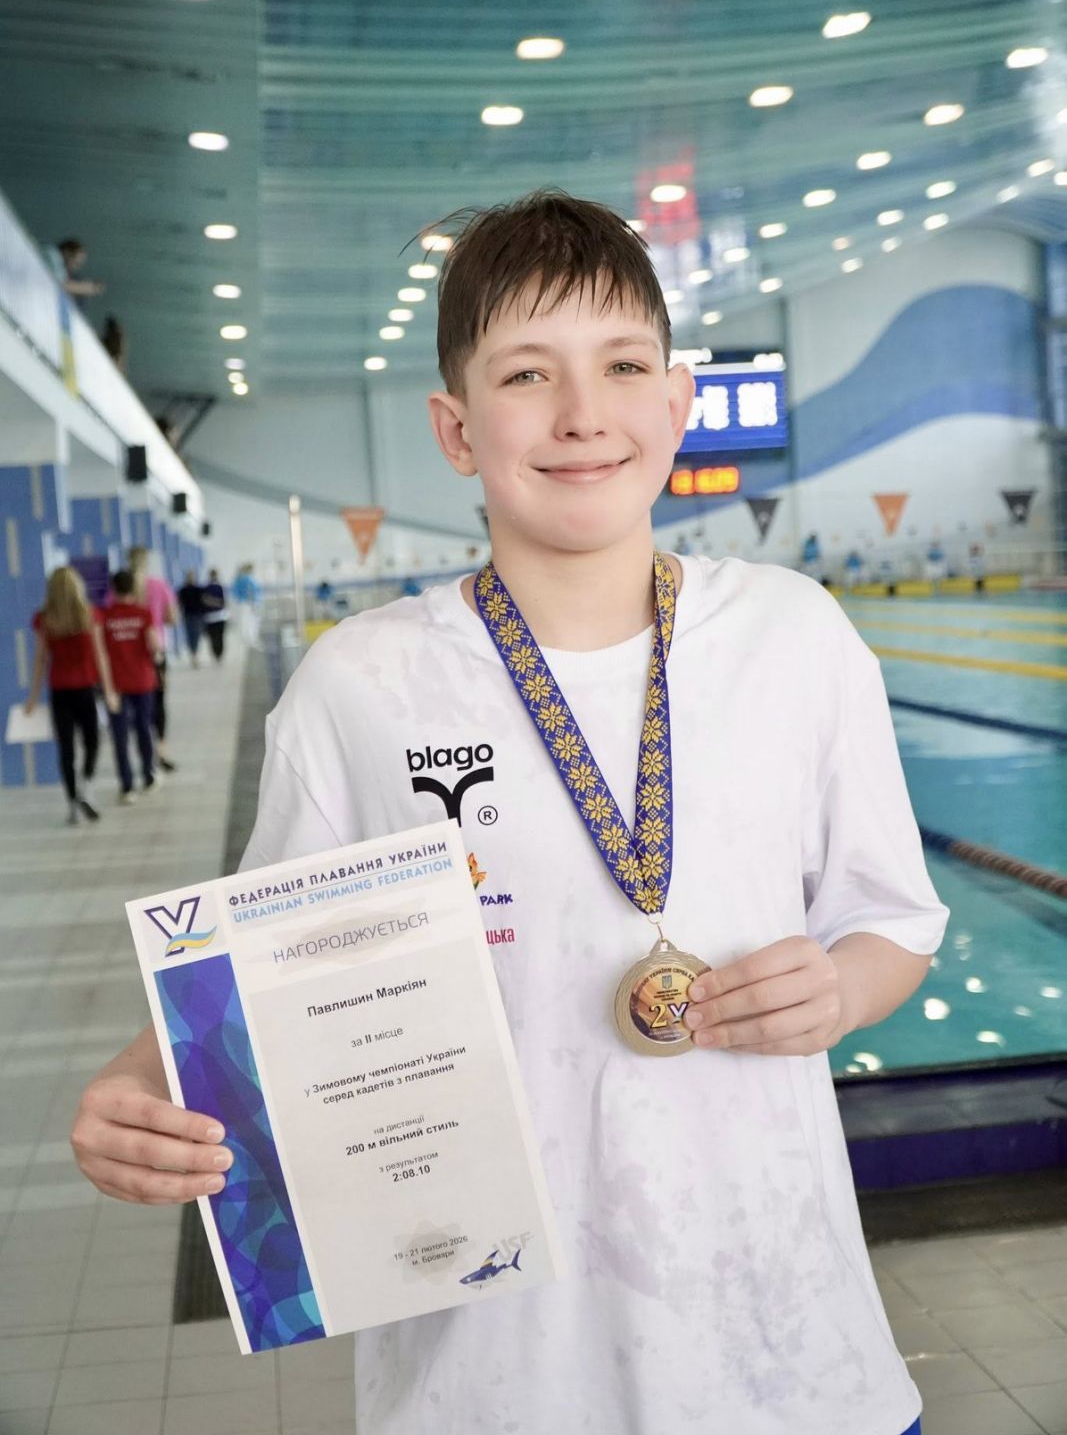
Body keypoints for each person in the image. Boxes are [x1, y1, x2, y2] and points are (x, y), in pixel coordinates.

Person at [71, 191, 945, 1435]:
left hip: (790, 1364)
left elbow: (891, 922)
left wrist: (841, 991)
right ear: (455, 426)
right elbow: (255, 990)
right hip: (488, 1382)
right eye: (527, 374)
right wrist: (139, 1088)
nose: (582, 412)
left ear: (675, 402)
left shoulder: (793, 636)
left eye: (622, 366)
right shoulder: (362, 686)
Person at [24, 565, 118, 824]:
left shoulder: (44, 619)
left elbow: (41, 660)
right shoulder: (90, 615)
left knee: (66, 749)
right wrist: (109, 691)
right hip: (86, 690)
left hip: (60, 692)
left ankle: (72, 804)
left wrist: (33, 698)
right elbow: (100, 656)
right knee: (92, 742)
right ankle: (87, 786)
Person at [100, 569, 160, 802]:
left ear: (113, 589)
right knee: (144, 728)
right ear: (133, 588)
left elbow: (101, 652)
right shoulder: (143, 613)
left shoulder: (106, 616)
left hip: (116, 684)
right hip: (143, 680)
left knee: (120, 734)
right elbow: (154, 645)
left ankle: (127, 787)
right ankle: (148, 776)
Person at [127, 545, 178, 771]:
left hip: (127, 653)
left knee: (135, 703)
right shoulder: (159, 585)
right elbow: (172, 618)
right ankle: (161, 749)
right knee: (158, 700)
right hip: (156, 650)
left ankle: (143, 749)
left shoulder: (121, 588)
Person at [230, 562, 261, 647]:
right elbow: (251, 592)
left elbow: (235, 593)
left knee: (248, 621)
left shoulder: (243, 580)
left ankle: (248, 639)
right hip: (248, 603)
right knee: (248, 622)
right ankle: (249, 640)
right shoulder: (247, 580)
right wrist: (253, 602)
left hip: (246, 603)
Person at [200, 569, 228, 662]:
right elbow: (204, 601)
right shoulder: (206, 588)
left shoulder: (220, 587)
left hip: (219, 616)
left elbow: (222, 602)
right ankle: (216, 653)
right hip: (211, 617)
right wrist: (216, 602)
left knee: (219, 636)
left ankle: (219, 653)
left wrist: (211, 601)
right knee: (213, 637)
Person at [177, 571, 204, 666]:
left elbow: (202, 602)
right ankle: (193, 654)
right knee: (189, 635)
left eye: (192, 576)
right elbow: (179, 603)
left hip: (197, 616)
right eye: (189, 577)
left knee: (196, 635)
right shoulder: (183, 590)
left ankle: (195, 654)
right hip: (187, 616)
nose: (191, 578)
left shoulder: (198, 589)